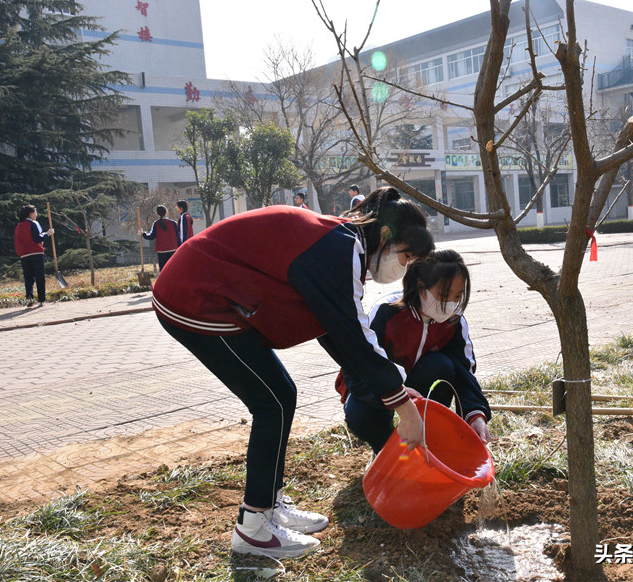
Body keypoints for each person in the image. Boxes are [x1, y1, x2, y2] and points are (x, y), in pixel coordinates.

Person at [151, 187, 434, 559]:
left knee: (280, 397)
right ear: (385, 237)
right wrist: (403, 407)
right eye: (407, 257)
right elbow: (352, 333)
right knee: (273, 403)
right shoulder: (339, 247)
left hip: (210, 293)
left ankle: (269, 505)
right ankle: (253, 528)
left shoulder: (339, 244)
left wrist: (389, 388)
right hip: (195, 299)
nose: (404, 269)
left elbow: (335, 331)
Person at [335, 249, 491, 454]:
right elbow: (359, 365)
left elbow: (464, 372)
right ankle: (384, 450)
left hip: (419, 384)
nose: (451, 303)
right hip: (379, 387)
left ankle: (425, 441)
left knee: (443, 365)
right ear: (421, 287)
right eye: (444, 295)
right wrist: (395, 394)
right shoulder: (387, 311)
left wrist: (475, 413)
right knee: (360, 417)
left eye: (457, 296)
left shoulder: (454, 321)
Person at [14, 205, 54, 307]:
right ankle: (41, 299)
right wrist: (48, 234)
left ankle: (30, 297)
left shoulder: (18, 226)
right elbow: (37, 238)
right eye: (35, 212)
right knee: (39, 276)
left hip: (24, 255)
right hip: (36, 253)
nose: (36, 214)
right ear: (31, 214)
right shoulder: (33, 223)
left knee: (28, 277)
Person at [140, 205, 180, 271]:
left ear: (157, 214)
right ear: (166, 212)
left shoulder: (156, 223)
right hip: (173, 249)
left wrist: (143, 234)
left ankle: (164, 281)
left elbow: (151, 236)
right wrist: (179, 247)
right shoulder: (173, 223)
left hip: (162, 251)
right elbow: (178, 236)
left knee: (163, 270)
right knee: (173, 269)